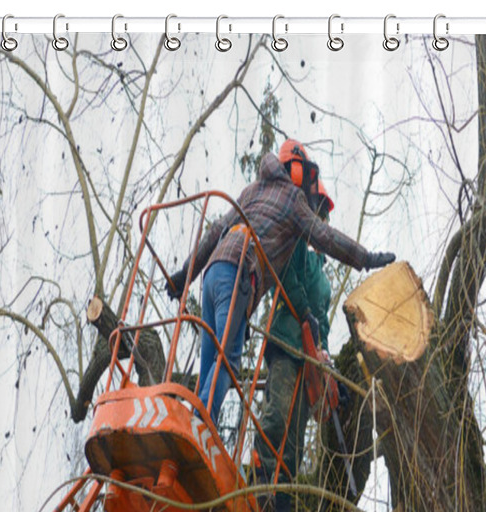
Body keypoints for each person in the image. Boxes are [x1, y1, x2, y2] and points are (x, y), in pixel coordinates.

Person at [166, 139, 394, 425]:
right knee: (227, 362)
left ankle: (195, 419)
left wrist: (184, 276)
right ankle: (198, 426)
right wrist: (366, 258)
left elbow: (214, 232)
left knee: (211, 359)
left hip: (212, 273)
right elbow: (326, 237)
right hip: (240, 273)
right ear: (296, 170)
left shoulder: (252, 191)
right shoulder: (292, 198)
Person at [254, 180, 337, 512]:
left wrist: (322, 353)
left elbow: (324, 324)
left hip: (308, 362)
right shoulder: (296, 250)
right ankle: (258, 484)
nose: (320, 218)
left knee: (295, 444)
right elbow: (284, 275)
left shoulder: (325, 277)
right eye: (317, 209)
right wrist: (303, 312)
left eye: (323, 213)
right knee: (276, 415)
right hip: (286, 343)